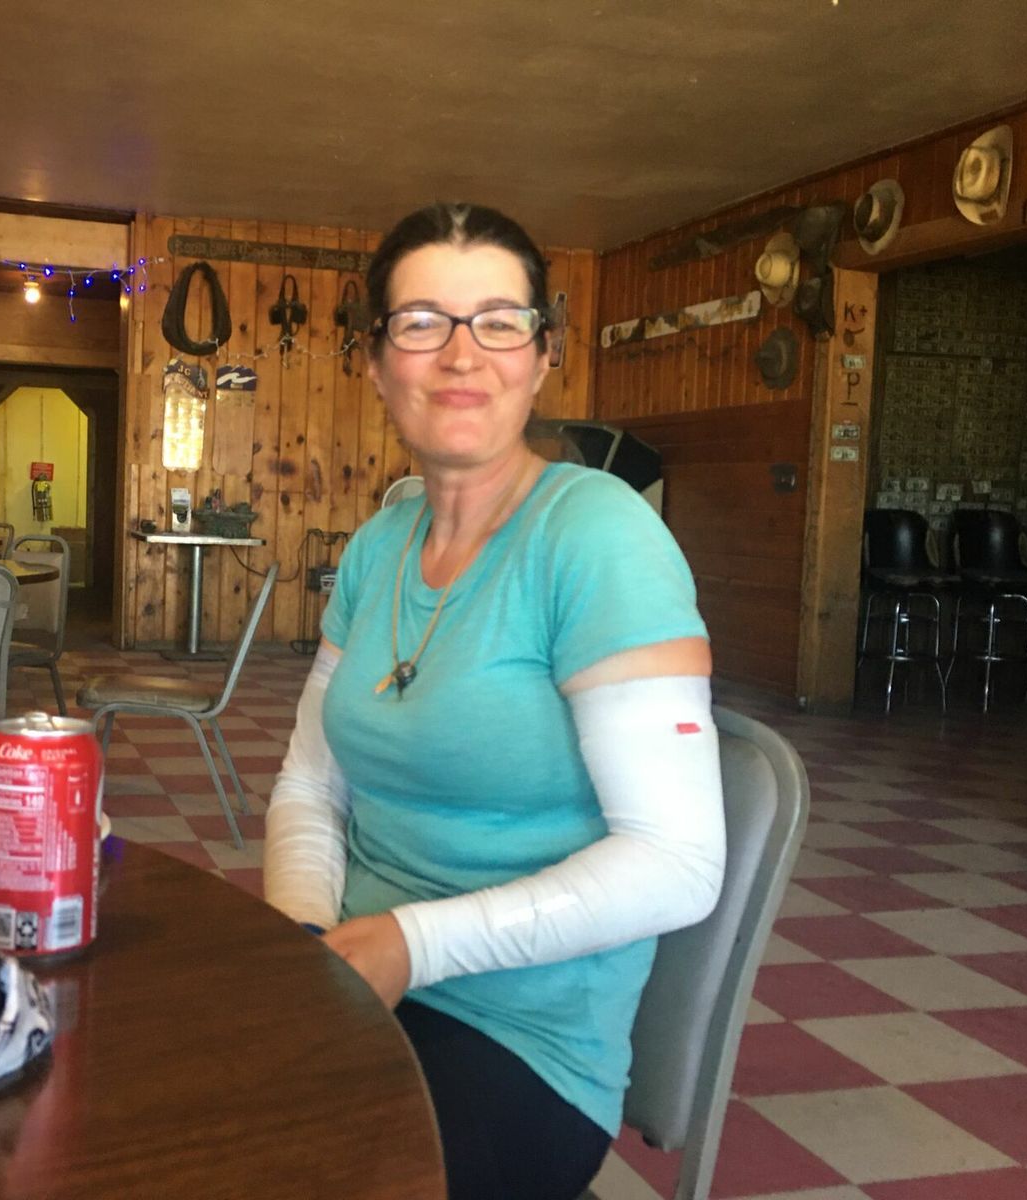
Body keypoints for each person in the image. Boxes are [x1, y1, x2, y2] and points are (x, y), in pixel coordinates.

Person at [263, 202, 726, 1200]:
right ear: (376, 362)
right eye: (421, 322)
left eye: (499, 321)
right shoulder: (378, 547)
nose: (461, 353)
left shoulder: (596, 536)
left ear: (542, 355)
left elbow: (678, 864)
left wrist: (412, 943)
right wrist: (302, 940)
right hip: (351, 982)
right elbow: (310, 783)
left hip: (523, 1041)